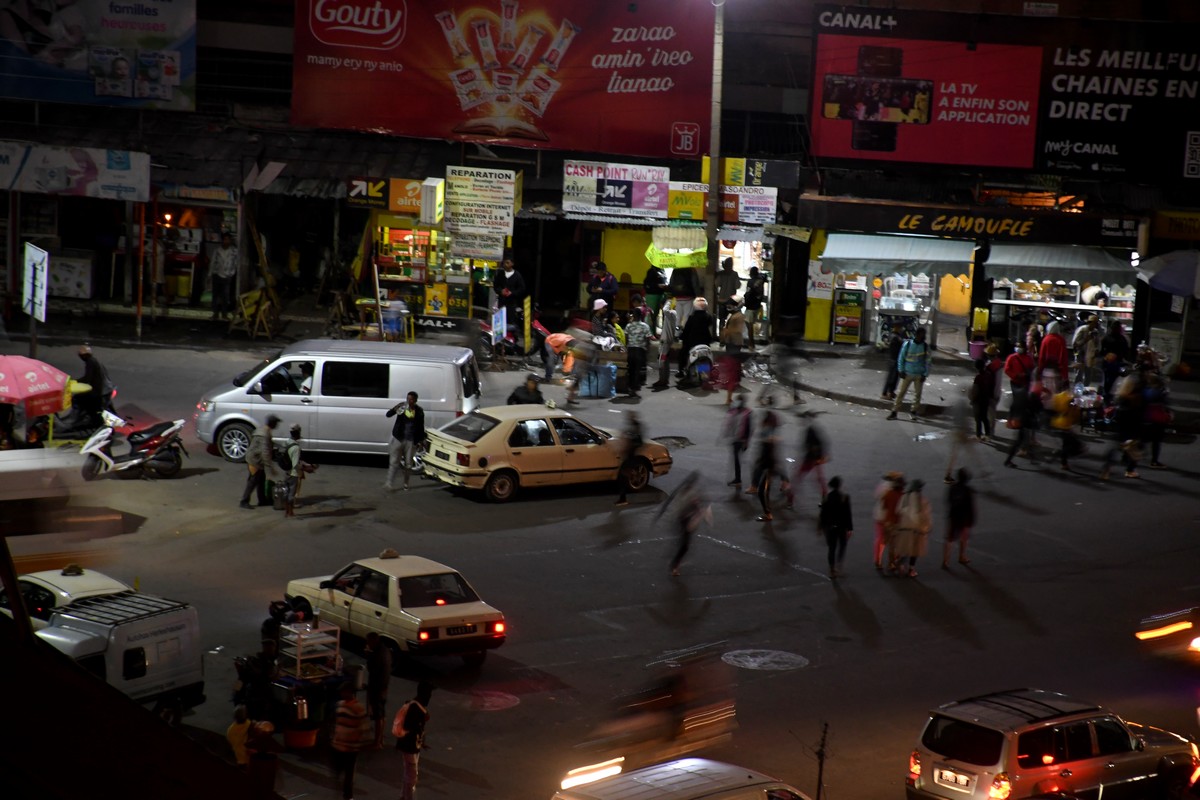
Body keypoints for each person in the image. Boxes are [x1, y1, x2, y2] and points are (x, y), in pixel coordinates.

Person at [657, 472, 711, 576]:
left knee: (683, 542)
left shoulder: (684, 492)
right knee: (685, 546)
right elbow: (694, 505)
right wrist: (700, 511)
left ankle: (675, 562)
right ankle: (674, 565)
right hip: (684, 520)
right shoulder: (690, 494)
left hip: (681, 519)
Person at [394, 681, 434, 800]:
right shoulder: (416, 709)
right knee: (411, 777)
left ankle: (403, 796)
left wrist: (422, 742)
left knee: (408, 773)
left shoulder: (414, 705)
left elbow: (420, 728)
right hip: (409, 747)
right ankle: (408, 797)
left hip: (413, 746)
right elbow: (413, 727)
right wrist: (423, 715)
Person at [331, 681, 369, 800]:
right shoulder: (340, 705)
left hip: (350, 748)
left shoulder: (358, 709)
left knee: (348, 773)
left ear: (350, 693)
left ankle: (348, 796)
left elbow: (363, 727)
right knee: (342, 770)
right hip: (339, 745)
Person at [891, 479, 932, 578]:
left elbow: (898, 511)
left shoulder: (904, 497)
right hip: (917, 529)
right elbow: (926, 515)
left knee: (905, 549)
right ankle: (911, 569)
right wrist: (928, 527)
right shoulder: (922, 500)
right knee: (915, 551)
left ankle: (900, 564)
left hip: (904, 528)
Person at [240, 414, 282, 509]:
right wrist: (270, 467)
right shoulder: (265, 434)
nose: (277, 425)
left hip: (255, 459)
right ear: (273, 423)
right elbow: (265, 452)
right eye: (276, 423)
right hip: (255, 461)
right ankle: (244, 501)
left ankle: (262, 500)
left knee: (261, 480)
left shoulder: (262, 430)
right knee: (253, 481)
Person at [385, 392, 425, 491]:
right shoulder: (402, 407)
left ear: (415, 400)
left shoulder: (419, 411)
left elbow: (421, 428)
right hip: (399, 438)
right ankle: (389, 483)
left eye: (411, 399)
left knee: (408, 464)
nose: (409, 401)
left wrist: (420, 441)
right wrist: (395, 409)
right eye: (408, 399)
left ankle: (406, 483)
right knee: (394, 462)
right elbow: (388, 414)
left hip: (411, 441)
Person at [887, 327, 929, 420]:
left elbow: (928, 362)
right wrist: (901, 370)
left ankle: (913, 411)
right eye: (922, 334)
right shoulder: (908, 344)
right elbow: (901, 358)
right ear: (918, 334)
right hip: (907, 373)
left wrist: (925, 374)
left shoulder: (925, 346)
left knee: (917, 395)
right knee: (901, 393)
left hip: (919, 374)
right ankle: (894, 411)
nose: (924, 336)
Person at [785, 422, 828, 509]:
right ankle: (825, 498)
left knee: (797, 479)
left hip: (809, 460)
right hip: (816, 460)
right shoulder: (816, 436)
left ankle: (790, 500)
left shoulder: (809, 434)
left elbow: (805, 446)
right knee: (819, 479)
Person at [818, 476, 853, 578]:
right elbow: (848, 514)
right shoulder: (845, 497)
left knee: (832, 549)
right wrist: (850, 528)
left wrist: (821, 527)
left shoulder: (827, 497)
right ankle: (839, 564)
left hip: (830, 528)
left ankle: (832, 569)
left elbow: (822, 514)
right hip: (842, 527)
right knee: (842, 546)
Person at [1003, 384, 1044, 468]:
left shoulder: (1019, 394)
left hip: (1019, 420)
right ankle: (1008, 461)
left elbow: (1013, 406)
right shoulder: (1032, 395)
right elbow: (1039, 407)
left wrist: (1010, 418)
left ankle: (1032, 458)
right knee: (1020, 441)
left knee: (1024, 439)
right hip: (1027, 420)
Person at [364, 632, 392, 749]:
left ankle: (377, 742)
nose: (367, 644)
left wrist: (368, 655)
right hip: (383, 686)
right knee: (381, 714)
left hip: (377, 687)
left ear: (373, 641)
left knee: (378, 715)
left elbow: (372, 669)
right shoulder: (385, 650)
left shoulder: (377, 654)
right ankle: (380, 739)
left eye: (368, 642)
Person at [943, 468, 975, 568]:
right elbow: (970, 506)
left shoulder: (953, 487)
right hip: (964, 518)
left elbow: (948, 500)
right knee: (964, 538)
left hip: (953, 516)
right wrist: (971, 519)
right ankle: (962, 556)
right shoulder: (967, 490)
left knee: (950, 539)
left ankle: (945, 561)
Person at [283, 423, 317, 517]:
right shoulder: (296, 448)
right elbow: (296, 465)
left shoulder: (288, 442)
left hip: (286, 472)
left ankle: (287, 511)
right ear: (298, 432)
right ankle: (290, 512)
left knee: (286, 492)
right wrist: (307, 469)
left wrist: (307, 464)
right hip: (293, 474)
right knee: (291, 494)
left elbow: (295, 460)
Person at [873, 472, 905, 571]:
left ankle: (878, 560)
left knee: (881, 540)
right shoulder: (893, 491)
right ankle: (893, 562)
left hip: (880, 517)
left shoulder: (882, 486)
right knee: (894, 543)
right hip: (890, 519)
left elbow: (880, 500)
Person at [75, 344, 112, 428]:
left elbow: (88, 378)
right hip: (105, 388)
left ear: (83, 355)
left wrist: (75, 381)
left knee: (93, 409)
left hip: (102, 391)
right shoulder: (94, 360)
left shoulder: (90, 362)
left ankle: (97, 426)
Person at [678, 296, 714, 379]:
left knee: (682, 354)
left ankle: (681, 371)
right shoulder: (708, 316)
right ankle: (703, 372)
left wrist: (682, 336)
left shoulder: (692, 317)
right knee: (705, 356)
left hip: (692, 341)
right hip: (705, 341)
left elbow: (686, 330)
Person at [493, 256, 526, 345]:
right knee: (500, 324)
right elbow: (495, 286)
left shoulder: (517, 275)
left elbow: (522, 289)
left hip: (512, 304)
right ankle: (500, 344)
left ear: (512, 264)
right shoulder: (500, 274)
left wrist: (512, 293)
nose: (505, 264)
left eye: (507, 263)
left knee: (512, 323)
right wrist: (501, 291)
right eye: (504, 263)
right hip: (502, 302)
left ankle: (512, 343)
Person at [614, 411, 644, 507]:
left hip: (630, 457)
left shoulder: (636, 428)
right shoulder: (633, 427)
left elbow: (638, 442)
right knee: (622, 477)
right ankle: (623, 498)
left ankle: (623, 499)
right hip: (629, 457)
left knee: (622, 478)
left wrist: (627, 442)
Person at [721, 394, 752, 486]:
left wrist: (746, 442)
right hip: (735, 438)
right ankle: (737, 479)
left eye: (738, 400)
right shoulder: (735, 411)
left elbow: (749, 428)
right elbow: (729, 420)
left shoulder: (747, 413)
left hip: (741, 440)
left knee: (736, 459)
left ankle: (738, 479)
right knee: (736, 459)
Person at [1142, 372, 1171, 469]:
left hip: (1146, 416)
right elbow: (1165, 404)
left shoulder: (1145, 390)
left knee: (1143, 438)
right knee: (1156, 441)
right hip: (1157, 418)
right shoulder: (1160, 392)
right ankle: (1154, 461)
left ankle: (1129, 456)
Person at [209, 232, 239, 320]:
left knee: (225, 296)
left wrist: (231, 273)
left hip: (227, 276)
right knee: (216, 295)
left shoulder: (234, 251)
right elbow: (212, 263)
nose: (226, 241)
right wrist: (210, 274)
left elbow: (236, 263)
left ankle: (224, 314)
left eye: (228, 239)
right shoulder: (217, 250)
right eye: (225, 239)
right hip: (217, 274)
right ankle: (215, 313)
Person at [1100, 320, 1131, 400]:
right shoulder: (1107, 338)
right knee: (1108, 380)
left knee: (1114, 381)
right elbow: (1102, 350)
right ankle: (1107, 396)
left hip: (1117, 363)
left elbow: (1126, 351)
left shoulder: (1121, 339)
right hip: (1109, 363)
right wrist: (1106, 356)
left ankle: (1111, 396)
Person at [624, 307, 651, 397]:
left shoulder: (628, 326)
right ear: (641, 316)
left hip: (631, 350)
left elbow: (626, 338)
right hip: (640, 350)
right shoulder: (645, 326)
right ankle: (635, 388)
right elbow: (648, 339)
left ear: (633, 315)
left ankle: (630, 387)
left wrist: (627, 347)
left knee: (631, 369)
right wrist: (646, 350)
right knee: (637, 370)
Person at [1037, 320, 1069, 395]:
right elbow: (1063, 358)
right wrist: (1065, 375)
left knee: (1047, 392)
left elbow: (1041, 357)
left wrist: (1039, 371)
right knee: (1057, 392)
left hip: (1046, 370)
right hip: (1057, 371)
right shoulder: (1061, 340)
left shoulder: (1046, 339)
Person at [652, 305, 678, 389]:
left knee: (661, 361)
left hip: (665, 342)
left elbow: (665, 310)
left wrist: (668, 302)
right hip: (666, 340)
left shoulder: (673, 313)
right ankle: (664, 379)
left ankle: (662, 380)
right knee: (665, 361)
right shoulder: (673, 315)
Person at [969, 357, 995, 441]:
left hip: (978, 401)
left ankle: (978, 435)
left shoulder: (978, 377)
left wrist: (972, 400)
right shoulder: (988, 375)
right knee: (984, 417)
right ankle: (987, 435)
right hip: (986, 399)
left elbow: (975, 391)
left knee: (978, 419)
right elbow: (991, 387)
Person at [1072, 315, 1102, 386]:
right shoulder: (1082, 330)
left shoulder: (1095, 332)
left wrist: (1097, 350)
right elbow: (1075, 343)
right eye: (1094, 323)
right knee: (1079, 374)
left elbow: (1098, 344)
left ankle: (1086, 388)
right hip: (1081, 355)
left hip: (1090, 356)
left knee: (1088, 374)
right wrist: (1086, 339)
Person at [715, 258, 741, 327]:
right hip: (731, 300)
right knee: (730, 320)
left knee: (722, 319)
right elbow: (737, 286)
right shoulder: (735, 274)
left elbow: (716, 284)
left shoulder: (721, 274)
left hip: (721, 299)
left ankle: (721, 334)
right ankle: (727, 334)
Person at [743, 266, 766, 346]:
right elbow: (764, 276)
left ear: (751, 273)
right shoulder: (761, 280)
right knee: (750, 323)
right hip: (757, 305)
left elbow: (748, 294)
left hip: (751, 306)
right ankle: (751, 342)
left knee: (748, 324)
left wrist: (745, 301)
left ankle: (751, 343)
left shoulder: (751, 282)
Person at [881, 325, 905, 399]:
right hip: (894, 359)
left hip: (894, 359)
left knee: (894, 377)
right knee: (892, 377)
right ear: (897, 328)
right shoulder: (895, 337)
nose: (902, 329)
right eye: (900, 328)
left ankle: (890, 392)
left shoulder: (895, 336)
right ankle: (886, 393)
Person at [643, 264, 668, 336]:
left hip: (662, 294)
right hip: (652, 295)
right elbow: (647, 284)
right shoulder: (651, 271)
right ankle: (651, 333)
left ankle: (662, 334)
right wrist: (657, 285)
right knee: (651, 315)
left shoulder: (662, 270)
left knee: (663, 315)